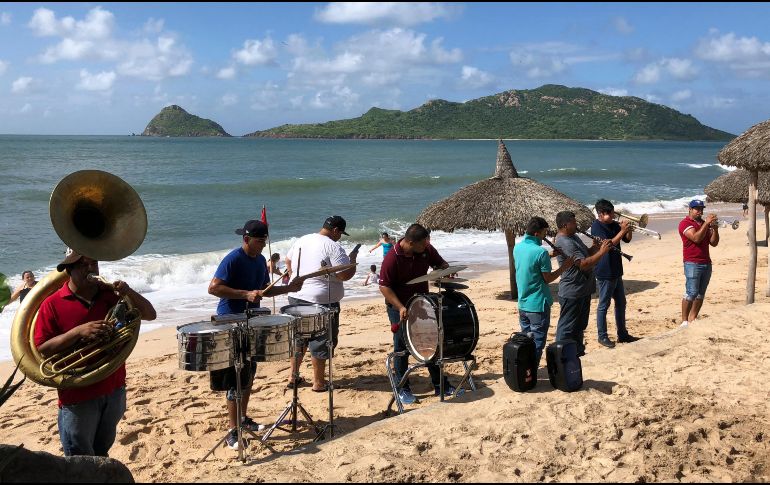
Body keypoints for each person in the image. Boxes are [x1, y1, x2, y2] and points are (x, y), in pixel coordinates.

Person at [34, 249, 157, 457]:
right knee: (79, 460)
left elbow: (150, 314)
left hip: (114, 387)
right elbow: (42, 348)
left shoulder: (110, 295)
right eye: (83, 265)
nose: (91, 269)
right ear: (68, 270)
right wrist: (78, 332)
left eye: (94, 263)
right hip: (78, 393)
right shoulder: (51, 304)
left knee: (101, 453)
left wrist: (129, 293)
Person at [208, 220, 303, 450]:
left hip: (253, 320)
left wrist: (289, 288)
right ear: (246, 239)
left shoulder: (261, 260)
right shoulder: (233, 258)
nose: (262, 246)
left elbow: (264, 290)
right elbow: (213, 287)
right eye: (259, 241)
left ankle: (242, 418)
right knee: (235, 377)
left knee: (249, 372)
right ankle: (233, 430)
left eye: (265, 241)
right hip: (230, 320)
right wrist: (244, 294)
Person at [379, 223, 459, 405]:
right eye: (423, 244)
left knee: (430, 342)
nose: (427, 246)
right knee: (401, 347)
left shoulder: (426, 249)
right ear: (410, 242)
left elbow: (441, 264)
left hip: (422, 302)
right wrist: (400, 307)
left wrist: (444, 271)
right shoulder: (392, 258)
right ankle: (402, 389)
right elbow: (384, 286)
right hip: (398, 305)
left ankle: (441, 385)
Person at [284, 216, 357, 392]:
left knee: (299, 338)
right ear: (336, 231)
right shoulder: (333, 246)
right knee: (321, 341)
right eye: (340, 234)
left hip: (297, 296)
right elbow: (343, 275)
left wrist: (297, 277)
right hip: (322, 301)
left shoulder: (302, 239)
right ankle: (318, 382)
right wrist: (352, 261)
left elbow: (288, 260)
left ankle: (293, 376)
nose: (340, 237)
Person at [513, 217, 574, 367]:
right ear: (536, 233)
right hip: (538, 304)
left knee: (526, 341)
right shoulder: (540, 252)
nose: (545, 237)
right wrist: (564, 267)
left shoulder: (518, 248)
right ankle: (531, 371)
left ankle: (524, 370)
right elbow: (548, 278)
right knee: (537, 343)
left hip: (523, 303)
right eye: (544, 233)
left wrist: (551, 255)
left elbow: (530, 263)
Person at [554, 211, 612, 357]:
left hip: (583, 290)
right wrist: (603, 252)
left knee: (579, 326)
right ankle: (562, 357)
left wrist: (595, 246)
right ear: (564, 225)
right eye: (573, 223)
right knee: (567, 328)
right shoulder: (564, 242)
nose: (576, 225)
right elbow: (584, 264)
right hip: (572, 292)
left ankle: (578, 352)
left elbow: (586, 253)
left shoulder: (573, 237)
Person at [591, 200, 640, 348]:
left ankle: (622, 334)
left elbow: (627, 240)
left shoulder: (613, 225)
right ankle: (602, 336)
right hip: (605, 270)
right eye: (610, 213)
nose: (613, 216)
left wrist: (628, 229)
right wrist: (622, 231)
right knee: (603, 305)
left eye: (613, 212)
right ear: (600, 214)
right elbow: (608, 244)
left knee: (621, 303)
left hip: (617, 269)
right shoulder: (596, 226)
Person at [678, 200, 719, 327]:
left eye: (701, 209)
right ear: (690, 209)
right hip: (692, 263)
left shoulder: (702, 224)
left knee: (701, 293)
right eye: (697, 209)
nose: (700, 212)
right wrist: (706, 224)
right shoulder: (685, 223)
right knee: (691, 292)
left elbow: (714, 243)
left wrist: (715, 229)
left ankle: (693, 318)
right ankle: (684, 321)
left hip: (706, 262)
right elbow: (696, 238)